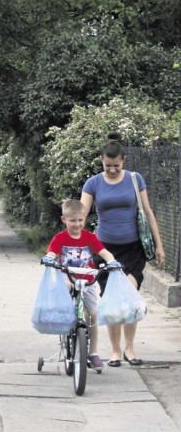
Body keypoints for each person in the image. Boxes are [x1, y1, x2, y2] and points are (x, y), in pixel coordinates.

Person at [80, 132, 165, 367]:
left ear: (123, 161)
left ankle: (130, 348)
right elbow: (83, 214)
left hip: (133, 247)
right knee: (111, 298)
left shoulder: (135, 179)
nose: (112, 170)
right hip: (105, 249)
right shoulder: (93, 183)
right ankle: (115, 351)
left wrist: (159, 245)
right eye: (108, 166)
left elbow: (148, 212)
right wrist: (74, 238)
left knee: (129, 295)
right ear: (102, 161)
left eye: (116, 165)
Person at [42, 199, 120, 371]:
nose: (77, 224)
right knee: (67, 287)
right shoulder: (60, 238)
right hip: (68, 275)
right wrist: (49, 257)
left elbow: (103, 252)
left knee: (92, 314)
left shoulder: (89, 237)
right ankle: (67, 313)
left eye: (80, 220)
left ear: (84, 218)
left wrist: (112, 261)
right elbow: (52, 251)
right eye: (72, 220)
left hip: (87, 277)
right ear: (64, 220)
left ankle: (93, 353)